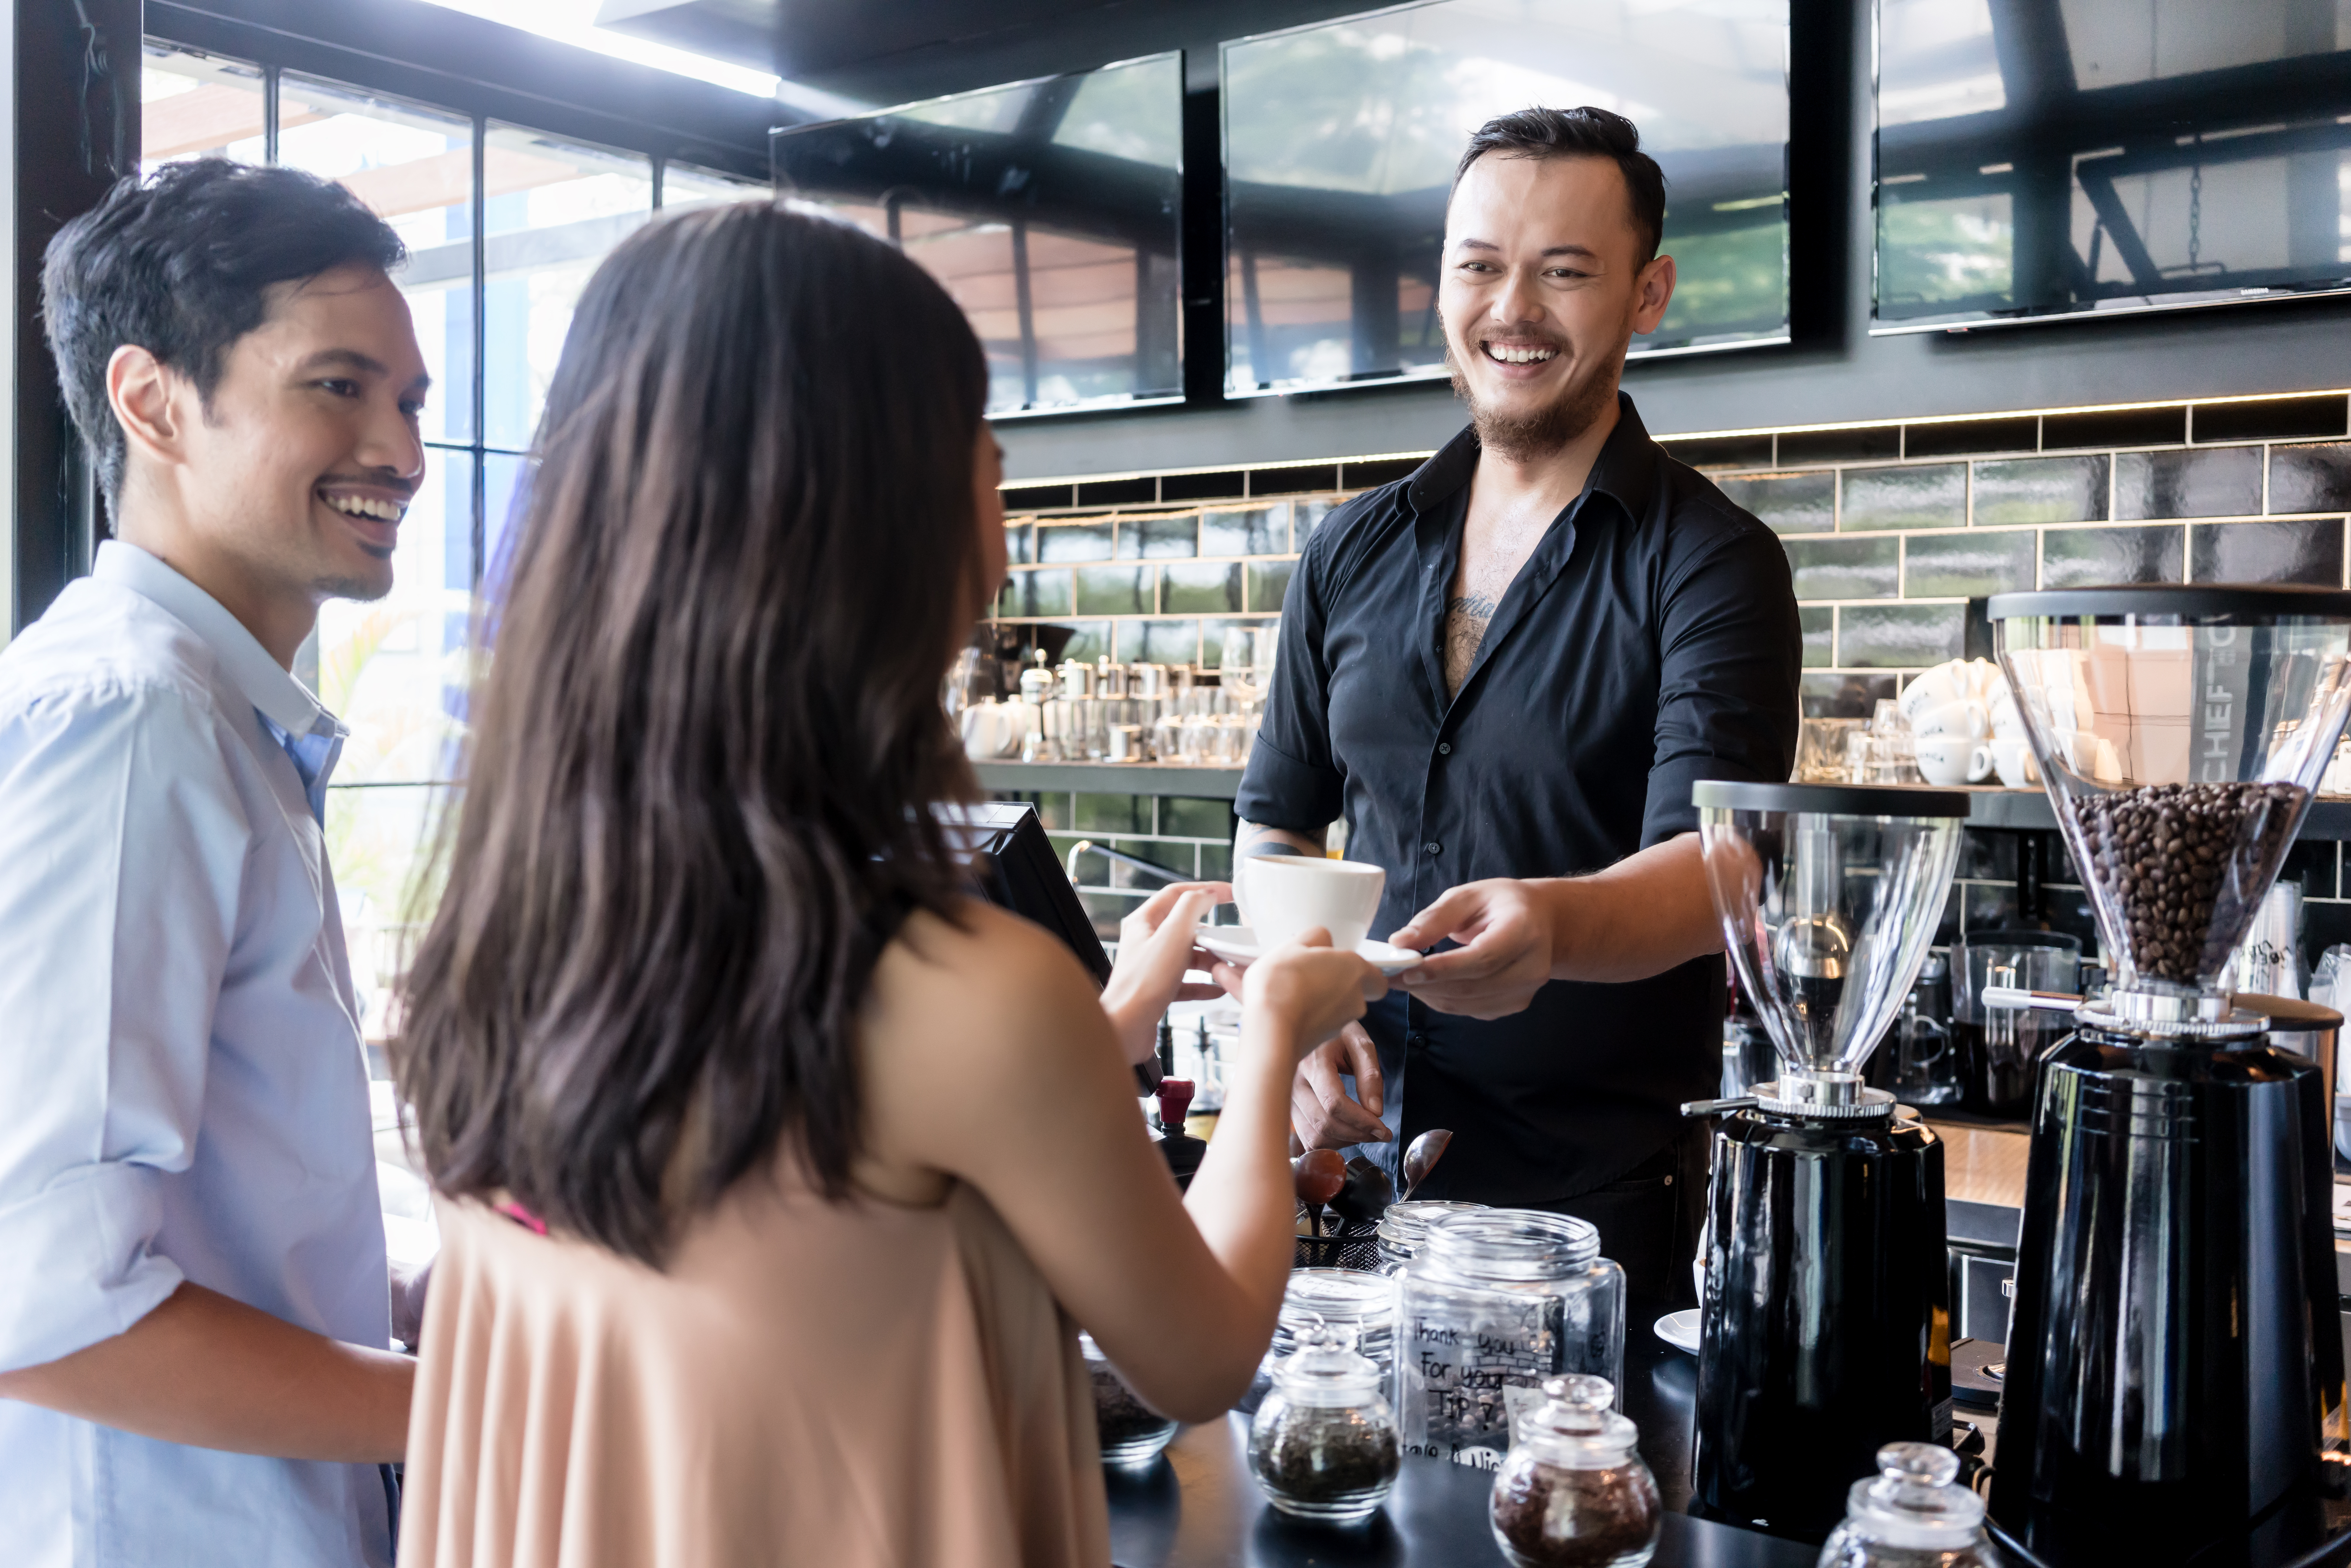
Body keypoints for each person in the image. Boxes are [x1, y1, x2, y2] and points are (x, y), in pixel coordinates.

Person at [389, 199, 1384, 1567]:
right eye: (981, 448)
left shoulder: (506, 934)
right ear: (877, 519)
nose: (998, 488)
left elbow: (808, 1204)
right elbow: (1200, 1350)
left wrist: (1108, 1033)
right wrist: (1274, 1030)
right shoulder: (962, 992)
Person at [1235, 106, 1802, 1305]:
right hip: (1347, 1182)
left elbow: (1721, 870)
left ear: (1645, 295)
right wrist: (1298, 1007)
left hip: (1586, 1220)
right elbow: (1276, 826)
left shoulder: (1709, 561)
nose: (1512, 310)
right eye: (1480, 267)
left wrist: (1547, 930)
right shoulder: (1350, 549)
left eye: (1564, 272)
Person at [0, 161, 430, 1564]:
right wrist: (488, 1414)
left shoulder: (204, 713)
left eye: (410, 401)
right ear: (152, 400)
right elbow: (43, 1302)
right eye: (339, 387)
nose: (404, 452)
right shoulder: (140, 719)